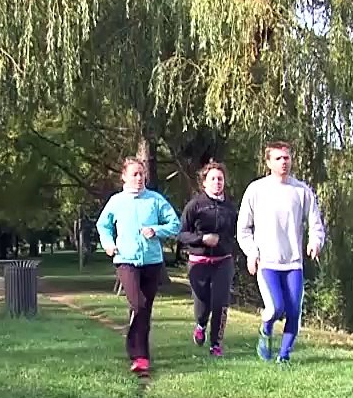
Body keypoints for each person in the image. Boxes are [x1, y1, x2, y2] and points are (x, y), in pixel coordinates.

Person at [237, 141, 327, 364]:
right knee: (276, 307)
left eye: (286, 157)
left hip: (293, 262)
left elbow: (315, 223)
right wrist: (251, 252)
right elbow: (243, 228)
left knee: (294, 310)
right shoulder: (256, 190)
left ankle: (284, 356)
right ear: (268, 162)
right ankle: (265, 330)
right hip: (267, 262)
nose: (283, 162)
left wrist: (315, 242)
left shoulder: (301, 191)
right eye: (278, 158)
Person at [96, 157, 182, 375]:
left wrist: (156, 230)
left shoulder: (155, 200)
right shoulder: (116, 201)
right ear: (123, 176)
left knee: (144, 309)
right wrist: (108, 244)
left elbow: (174, 224)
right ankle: (137, 352)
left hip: (152, 261)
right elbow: (103, 225)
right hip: (126, 259)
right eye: (134, 174)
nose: (138, 178)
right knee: (139, 304)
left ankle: (141, 356)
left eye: (141, 174)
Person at [177, 162, 238, 357]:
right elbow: (182, 234)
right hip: (199, 261)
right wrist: (202, 239)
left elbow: (237, 232)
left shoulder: (230, 207)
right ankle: (201, 325)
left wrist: (227, 244)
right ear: (204, 183)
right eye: (212, 178)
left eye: (220, 179)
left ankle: (216, 344)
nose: (217, 182)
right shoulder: (195, 205)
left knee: (220, 302)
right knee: (202, 303)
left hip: (223, 260)